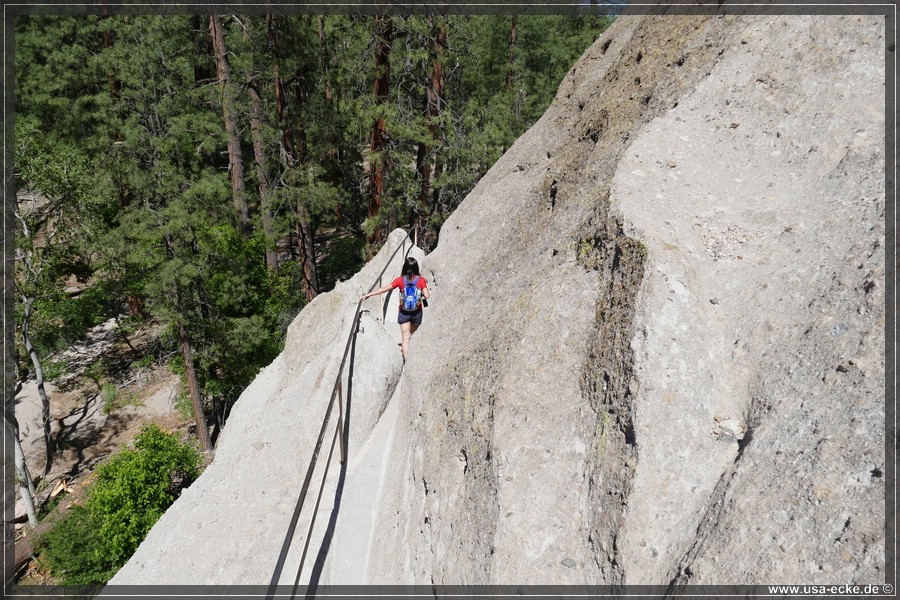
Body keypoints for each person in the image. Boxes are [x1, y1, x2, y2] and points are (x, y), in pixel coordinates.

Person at [361, 257, 431, 362]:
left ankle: (407, 362)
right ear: (416, 267)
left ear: (405, 267)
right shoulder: (421, 280)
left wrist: (370, 294)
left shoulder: (400, 280)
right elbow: (427, 295)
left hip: (404, 312)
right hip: (417, 312)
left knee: (405, 337)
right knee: (413, 335)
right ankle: (415, 358)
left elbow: (384, 289)